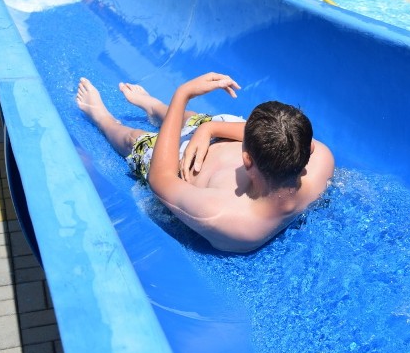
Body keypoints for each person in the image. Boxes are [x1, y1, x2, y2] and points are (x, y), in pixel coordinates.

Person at [75, 74, 335, 253]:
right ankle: (156, 108)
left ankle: (102, 117)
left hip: (175, 160)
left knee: (135, 141)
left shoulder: (224, 216)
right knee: (197, 120)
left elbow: (161, 179)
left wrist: (183, 93)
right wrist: (208, 129)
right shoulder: (320, 160)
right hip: (218, 137)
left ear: (247, 159)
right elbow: (276, 134)